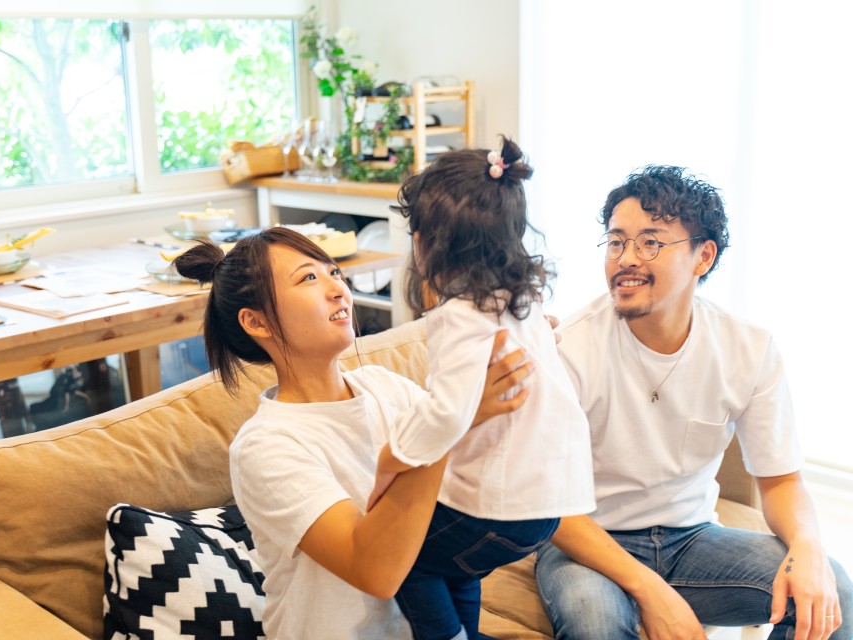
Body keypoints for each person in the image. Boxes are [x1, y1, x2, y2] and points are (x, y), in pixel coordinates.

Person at [536, 165, 852, 640]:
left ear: (703, 256)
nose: (626, 258)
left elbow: (781, 479)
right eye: (616, 242)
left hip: (692, 539)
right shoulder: (569, 349)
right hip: (587, 543)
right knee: (595, 623)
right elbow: (548, 506)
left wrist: (807, 548)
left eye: (650, 242)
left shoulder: (747, 348)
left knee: (833, 591)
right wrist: (651, 591)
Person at [172, 227, 532, 639]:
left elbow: (470, 474)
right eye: (309, 277)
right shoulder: (265, 446)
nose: (338, 290)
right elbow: (375, 572)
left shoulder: (386, 387)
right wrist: (453, 422)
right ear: (256, 321)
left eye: (334, 272)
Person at [371, 137, 595, 640]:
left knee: (404, 555)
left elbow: (446, 413)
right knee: (457, 564)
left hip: (498, 503)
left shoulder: (458, 315)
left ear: (426, 244)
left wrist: (391, 459)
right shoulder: (522, 303)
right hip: (547, 507)